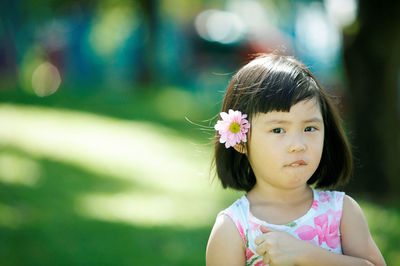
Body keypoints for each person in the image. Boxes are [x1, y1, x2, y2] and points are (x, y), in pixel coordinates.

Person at [206, 54, 386, 266]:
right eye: (278, 129)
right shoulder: (234, 228)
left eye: (310, 128)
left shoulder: (342, 212)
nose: (298, 145)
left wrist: (306, 255)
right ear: (240, 140)